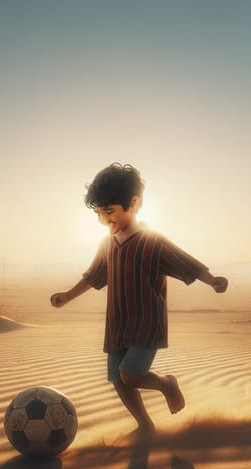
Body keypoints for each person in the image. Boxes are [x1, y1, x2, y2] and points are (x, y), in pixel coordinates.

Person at [51, 163, 228, 435]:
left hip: (147, 320)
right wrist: (67, 296)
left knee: (131, 373)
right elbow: (94, 276)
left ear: (132, 203)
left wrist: (212, 280)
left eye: (109, 211)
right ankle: (145, 424)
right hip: (118, 322)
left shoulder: (151, 241)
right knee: (117, 379)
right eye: (99, 213)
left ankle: (167, 384)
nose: (103, 219)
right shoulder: (107, 243)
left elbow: (184, 262)